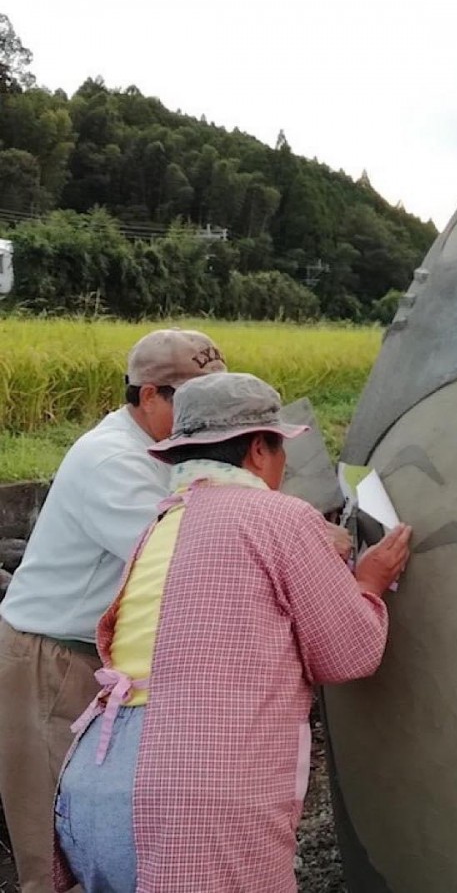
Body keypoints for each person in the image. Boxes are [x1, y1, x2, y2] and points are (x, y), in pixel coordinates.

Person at [53, 372, 412, 893]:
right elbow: (348, 653)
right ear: (261, 452)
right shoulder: (280, 517)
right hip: (196, 794)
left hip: (97, 784)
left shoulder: (161, 523)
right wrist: (368, 582)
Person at [0, 328, 226, 893]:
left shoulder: (166, 451)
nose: (209, 416)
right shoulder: (111, 460)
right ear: (149, 395)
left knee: (102, 832)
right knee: (57, 843)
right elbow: (175, 555)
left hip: (101, 665)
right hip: (51, 661)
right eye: (194, 400)